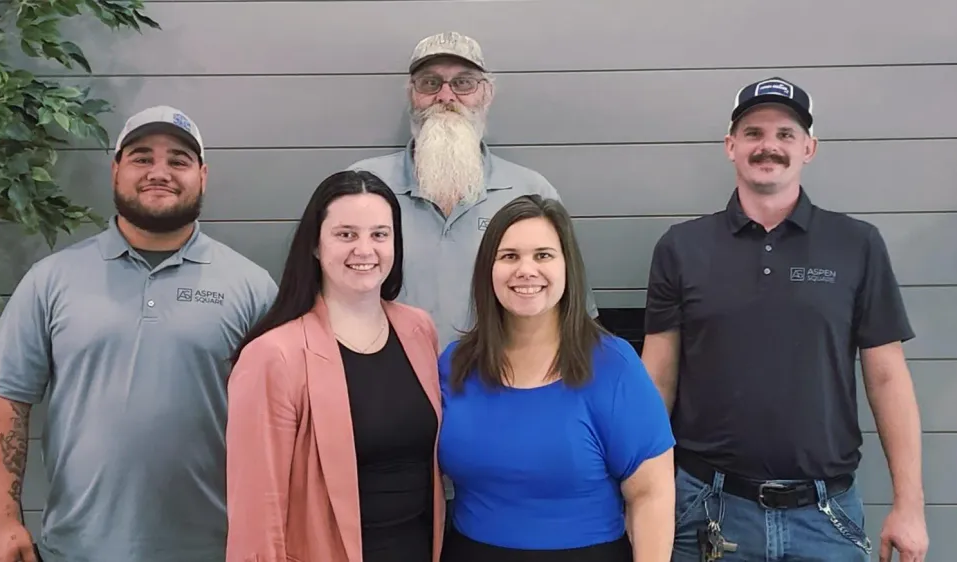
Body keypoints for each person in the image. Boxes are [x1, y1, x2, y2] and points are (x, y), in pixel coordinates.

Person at [0, 105, 278, 562]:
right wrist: (4, 521)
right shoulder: (51, 279)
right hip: (77, 551)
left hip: (216, 550)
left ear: (203, 175)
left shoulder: (252, 288)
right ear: (116, 169)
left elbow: (283, 423)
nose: (160, 172)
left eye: (178, 160)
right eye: (141, 157)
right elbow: (4, 398)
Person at [641, 77, 929, 562]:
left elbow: (886, 377)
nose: (768, 145)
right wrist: (641, 496)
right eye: (753, 133)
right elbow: (656, 380)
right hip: (708, 511)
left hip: (826, 518)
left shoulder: (857, 244)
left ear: (809, 148)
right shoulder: (681, 247)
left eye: (785, 134)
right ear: (731, 146)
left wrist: (910, 505)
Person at [437, 194, 676, 562]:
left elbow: (652, 494)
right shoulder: (456, 364)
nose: (526, 270)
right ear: (489, 269)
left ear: (568, 267)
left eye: (543, 255)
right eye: (509, 256)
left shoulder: (614, 366)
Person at [224, 170, 445, 562]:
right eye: (346, 234)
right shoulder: (273, 356)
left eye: (380, 234)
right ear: (314, 244)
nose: (365, 249)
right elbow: (257, 517)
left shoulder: (418, 330)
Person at [347, 31, 598, 350]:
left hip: (496, 385)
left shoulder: (530, 192)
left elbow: (573, 311)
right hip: (385, 383)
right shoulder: (362, 186)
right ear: (412, 94)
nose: (446, 97)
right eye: (430, 83)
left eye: (464, 83)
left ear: (487, 94)